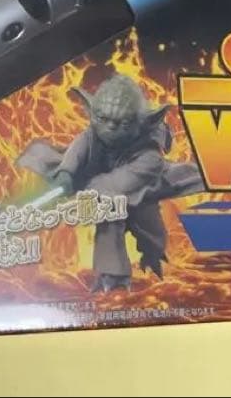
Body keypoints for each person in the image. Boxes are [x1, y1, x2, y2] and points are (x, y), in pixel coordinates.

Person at [16, 73, 204, 292]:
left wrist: (85, 193)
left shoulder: (150, 155)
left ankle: (152, 256)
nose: (109, 127)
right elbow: (79, 150)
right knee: (110, 215)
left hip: (139, 192)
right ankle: (113, 276)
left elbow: (118, 184)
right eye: (102, 119)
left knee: (150, 231)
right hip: (106, 197)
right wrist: (66, 173)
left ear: (140, 123)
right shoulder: (92, 134)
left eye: (122, 123)